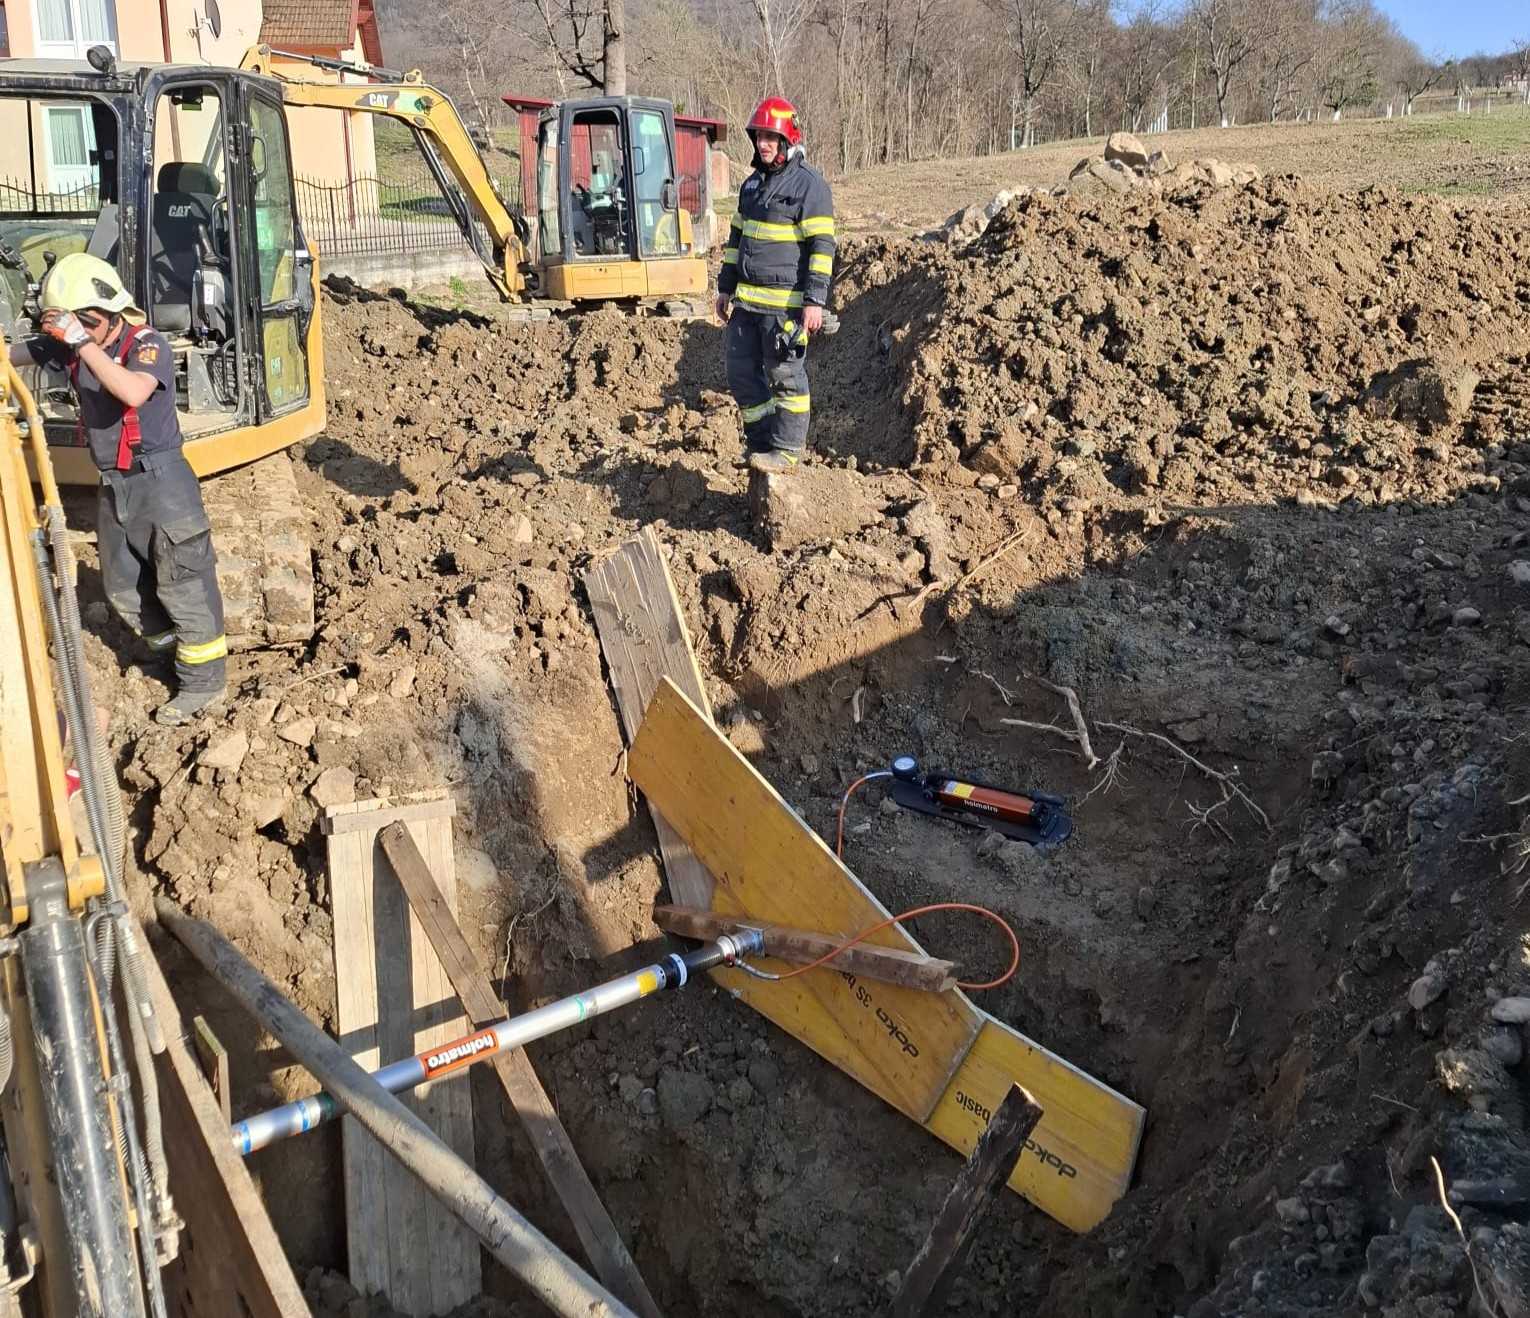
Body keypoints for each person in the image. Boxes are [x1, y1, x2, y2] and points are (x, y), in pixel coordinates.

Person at [11, 253, 227, 726]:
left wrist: (80, 343)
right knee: (124, 585)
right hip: (113, 482)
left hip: (162, 480)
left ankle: (204, 683)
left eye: (85, 321)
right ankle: (170, 658)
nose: (78, 331)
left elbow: (131, 391)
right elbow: (14, 355)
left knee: (183, 582)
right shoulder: (73, 345)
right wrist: (59, 340)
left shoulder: (147, 345)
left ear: (106, 313)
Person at [715, 96, 836, 475]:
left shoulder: (809, 186)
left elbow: (821, 247)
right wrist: (724, 287)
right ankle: (762, 444)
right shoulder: (751, 187)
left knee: (786, 378)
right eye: (758, 137)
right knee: (740, 374)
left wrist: (814, 301)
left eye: (771, 136)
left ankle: (785, 451)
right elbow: (736, 240)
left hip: (785, 308)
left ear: (787, 139)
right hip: (747, 307)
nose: (762, 144)